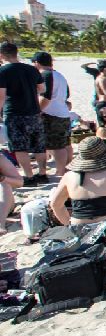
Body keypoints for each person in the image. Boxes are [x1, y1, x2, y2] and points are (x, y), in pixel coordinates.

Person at [0, 41, 47, 185]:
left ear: (1, 55)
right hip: (34, 112)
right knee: (38, 145)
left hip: (14, 113)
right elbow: (42, 89)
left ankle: (29, 176)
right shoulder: (32, 69)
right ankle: (42, 174)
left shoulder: (2, 71)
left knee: (20, 147)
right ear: (16, 53)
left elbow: (1, 96)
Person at [31, 51, 72, 177]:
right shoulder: (59, 75)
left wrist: (37, 111)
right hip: (63, 112)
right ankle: (65, 168)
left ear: (37, 63)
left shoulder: (45, 75)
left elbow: (46, 97)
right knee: (64, 144)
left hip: (51, 114)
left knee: (56, 146)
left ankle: (60, 171)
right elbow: (67, 95)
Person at [0, 152, 24, 234]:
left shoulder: (1, 159)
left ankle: (1, 223)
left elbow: (19, 183)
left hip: (4, 205)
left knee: (5, 184)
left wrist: (3, 178)